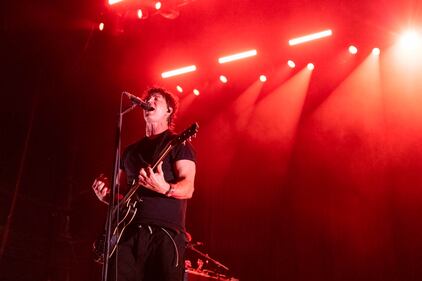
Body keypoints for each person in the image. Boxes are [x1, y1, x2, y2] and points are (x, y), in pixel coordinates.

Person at [92, 87, 196, 281]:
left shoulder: (178, 144)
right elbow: (120, 197)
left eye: (156, 99)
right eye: (148, 98)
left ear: (169, 111)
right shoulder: (130, 152)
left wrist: (164, 187)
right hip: (127, 233)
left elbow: (188, 187)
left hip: (164, 234)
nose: (149, 101)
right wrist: (106, 196)